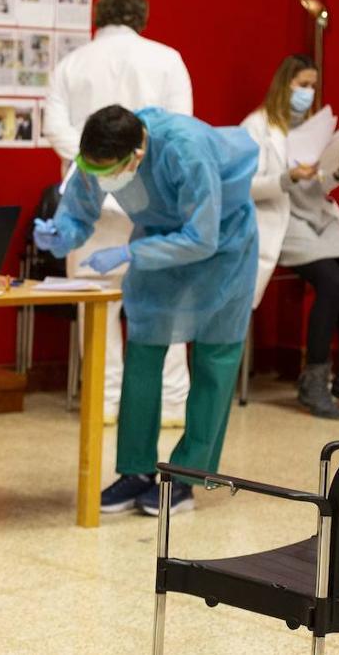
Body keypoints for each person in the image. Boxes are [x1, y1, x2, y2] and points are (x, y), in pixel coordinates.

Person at [35, 105, 258, 516]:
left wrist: (129, 251)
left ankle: (185, 478)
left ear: (136, 156)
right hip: (157, 243)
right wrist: (59, 235)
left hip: (222, 247)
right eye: (93, 167)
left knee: (215, 357)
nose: (102, 177)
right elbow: (80, 207)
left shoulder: (186, 149)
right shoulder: (102, 151)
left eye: (109, 170)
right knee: (143, 350)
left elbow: (201, 237)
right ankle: (135, 471)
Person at [43, 0, 194, 428]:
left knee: (96, 303)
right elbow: (178, 128)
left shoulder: (71, 63)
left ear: (98, 15)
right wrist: (131, 163)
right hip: (153, 196)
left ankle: (106, 399)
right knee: (165, 304)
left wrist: (96, 163)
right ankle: (170, 403)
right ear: (142, 16)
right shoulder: (167, 58)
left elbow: (55, 128)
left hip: (88, 200)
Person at [241, 54, 339, 419]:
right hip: (283, 219)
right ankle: (313, 380)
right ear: (283, 84)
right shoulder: (257, 127)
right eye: (302, 85)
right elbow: (244, 184)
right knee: (333, 281)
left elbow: (321, 181)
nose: (308, 92)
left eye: (313, 86)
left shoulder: (314, 127)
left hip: (318, 213)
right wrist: (288, 179)